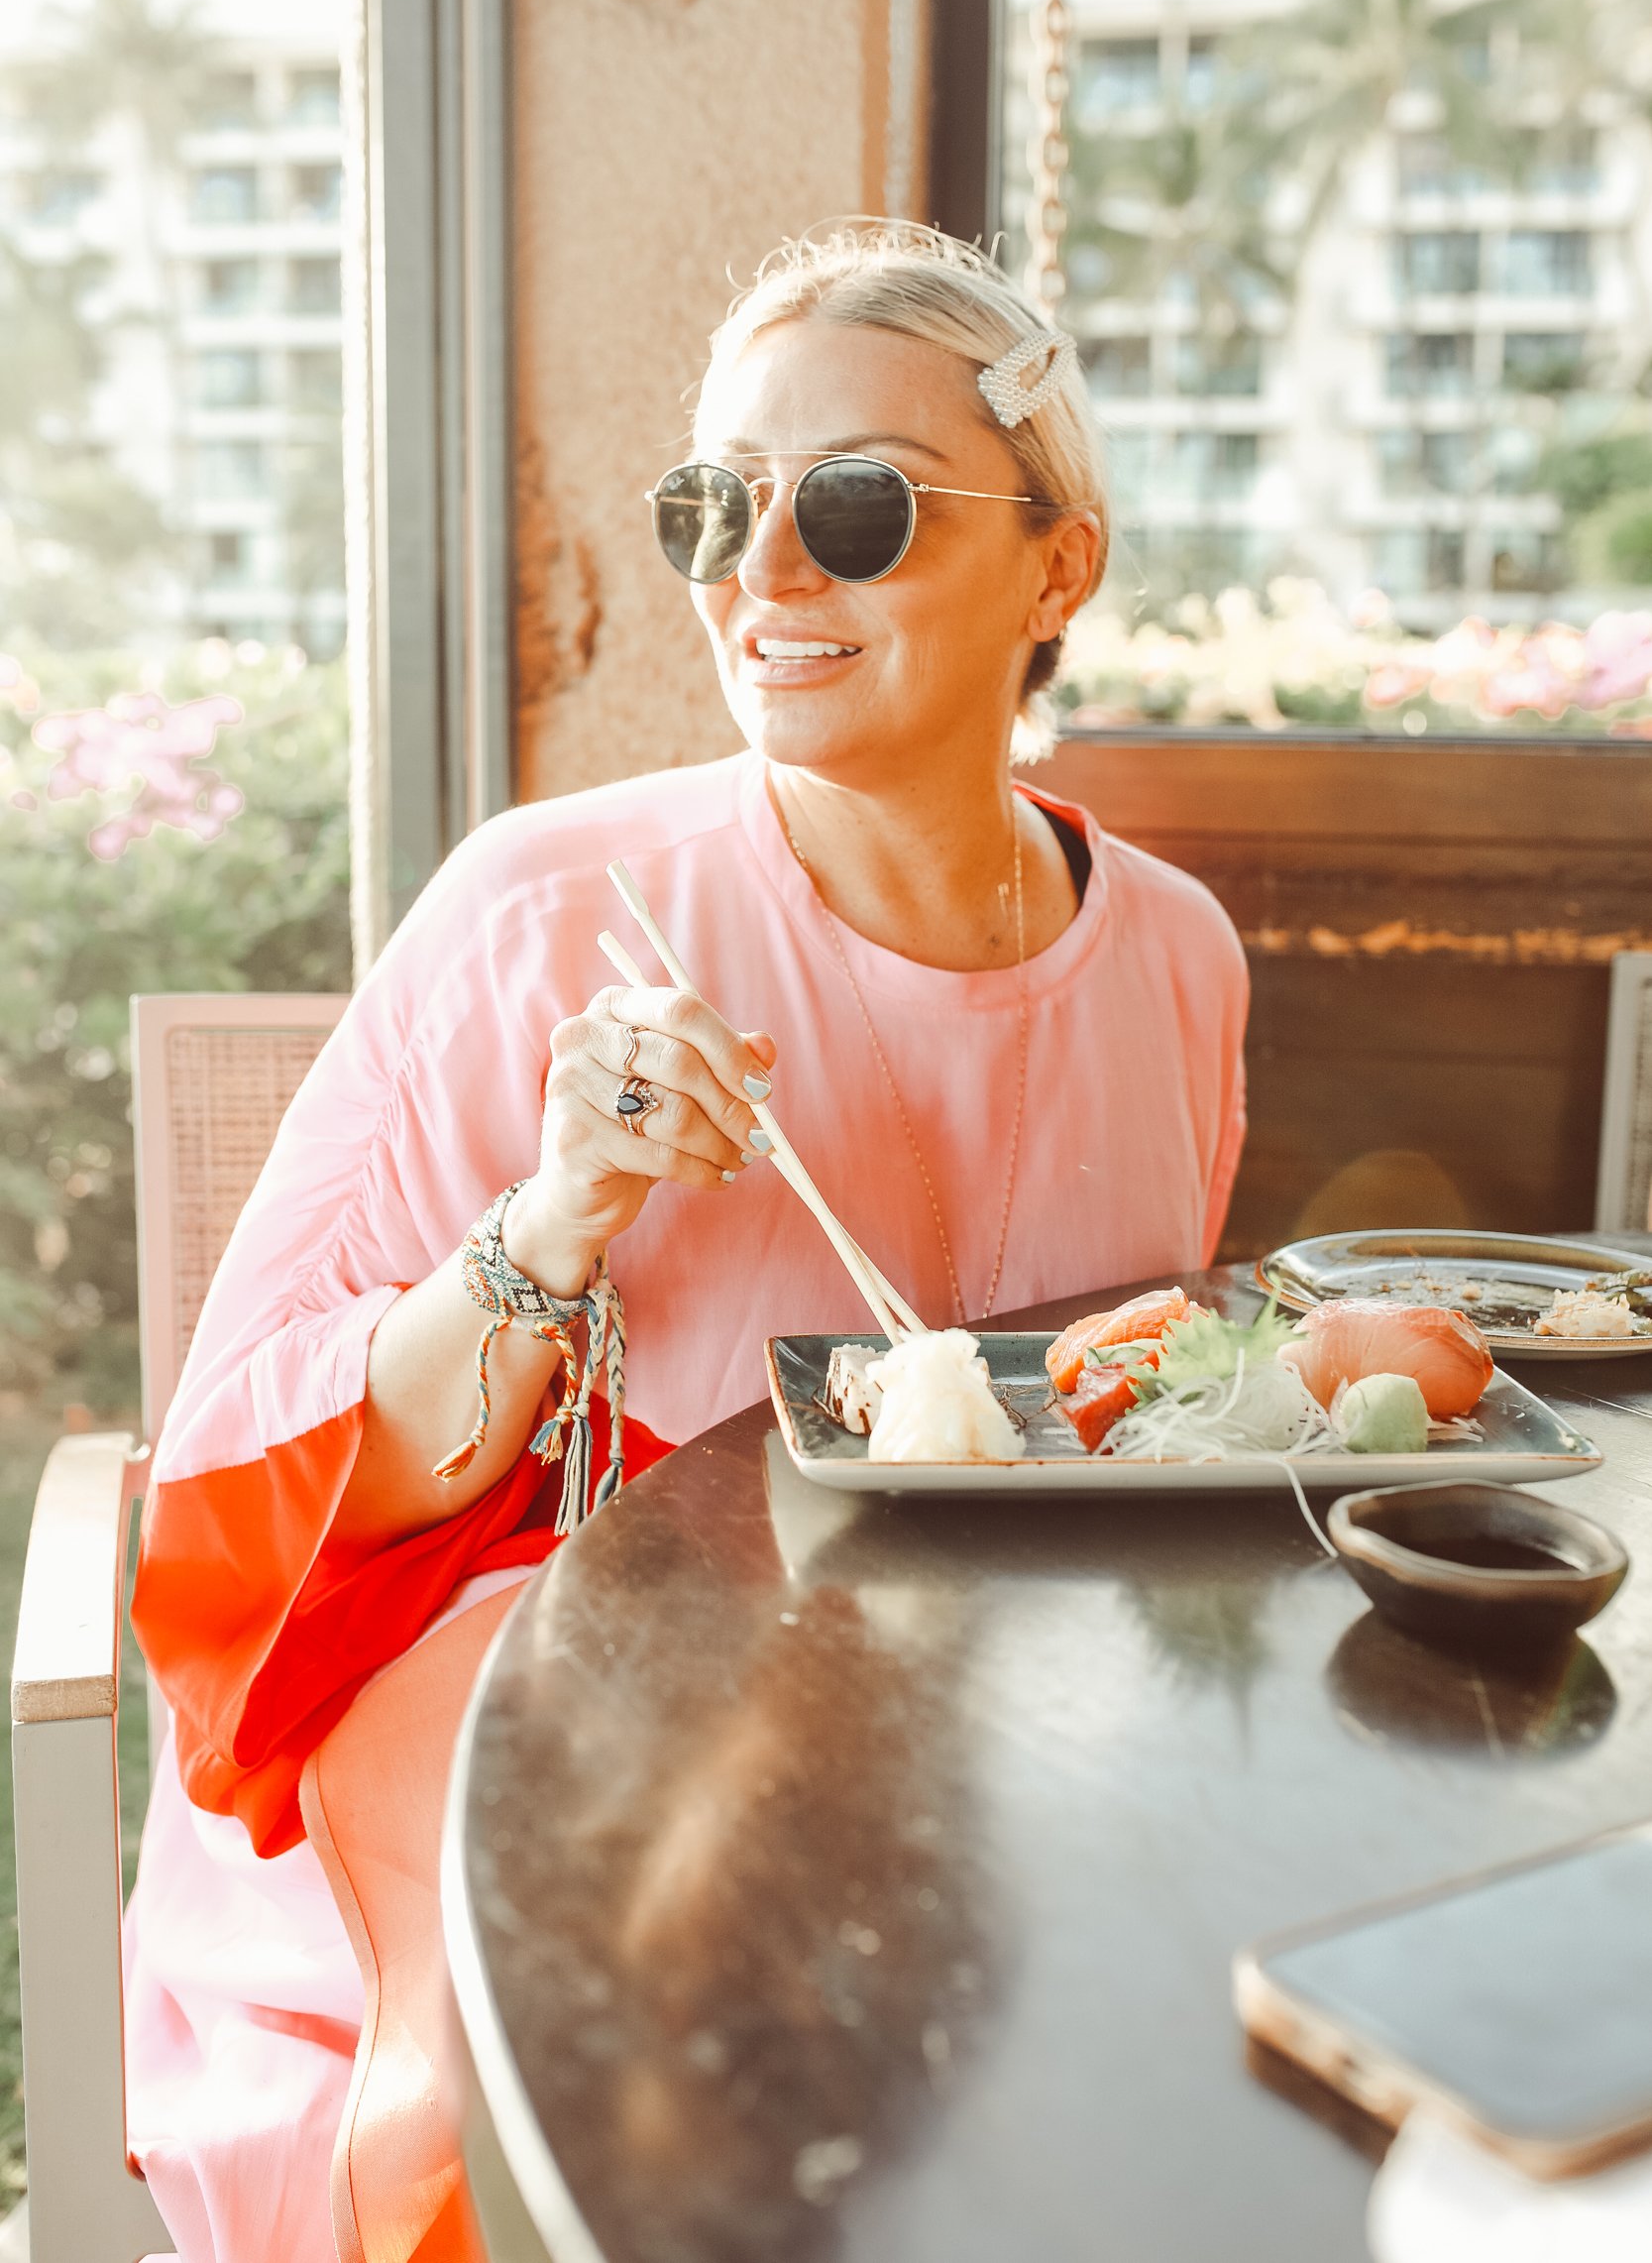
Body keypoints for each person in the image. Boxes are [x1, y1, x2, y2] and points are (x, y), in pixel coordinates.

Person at [125, 219, 1249, 2263]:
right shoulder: (548, 915)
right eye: (717, 504)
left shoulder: (1178, 956)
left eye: (852, 505)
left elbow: (1147, 1418)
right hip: (560, 1804)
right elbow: (252, 1482)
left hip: (1000, 1795)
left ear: (1057, 567)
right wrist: (558, 1215)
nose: (763, 570)